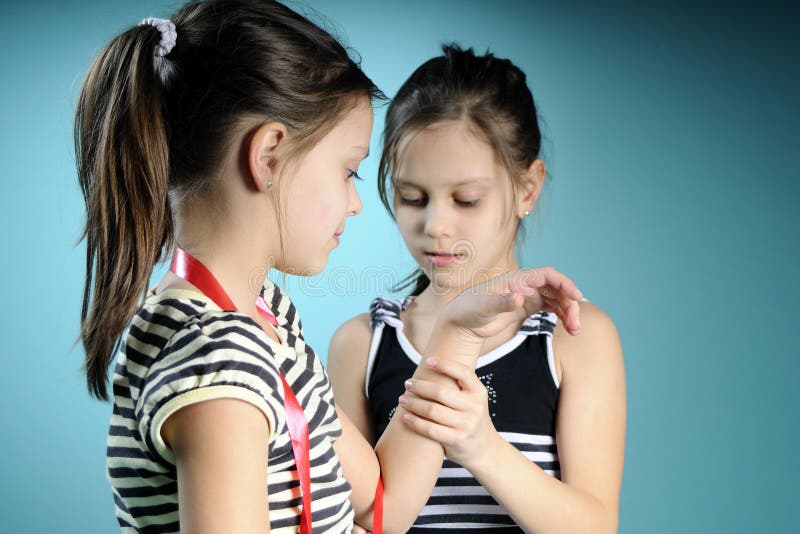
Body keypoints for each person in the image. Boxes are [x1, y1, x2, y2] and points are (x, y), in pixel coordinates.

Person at [75, 2, 585, 532]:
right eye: (348, 171)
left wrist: (457, 329)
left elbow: (381, 505)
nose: (355, 203)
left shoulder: (264, 322)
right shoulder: (219, 362)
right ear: (269, 156)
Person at [328, 45, 626, 533]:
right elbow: (351, 520)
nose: (435, 225)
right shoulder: (361, 345)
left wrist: (481, 446)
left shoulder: (575, 337)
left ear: (527, 189)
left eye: (466, 200)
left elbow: (595, 526)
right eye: (412, 198)